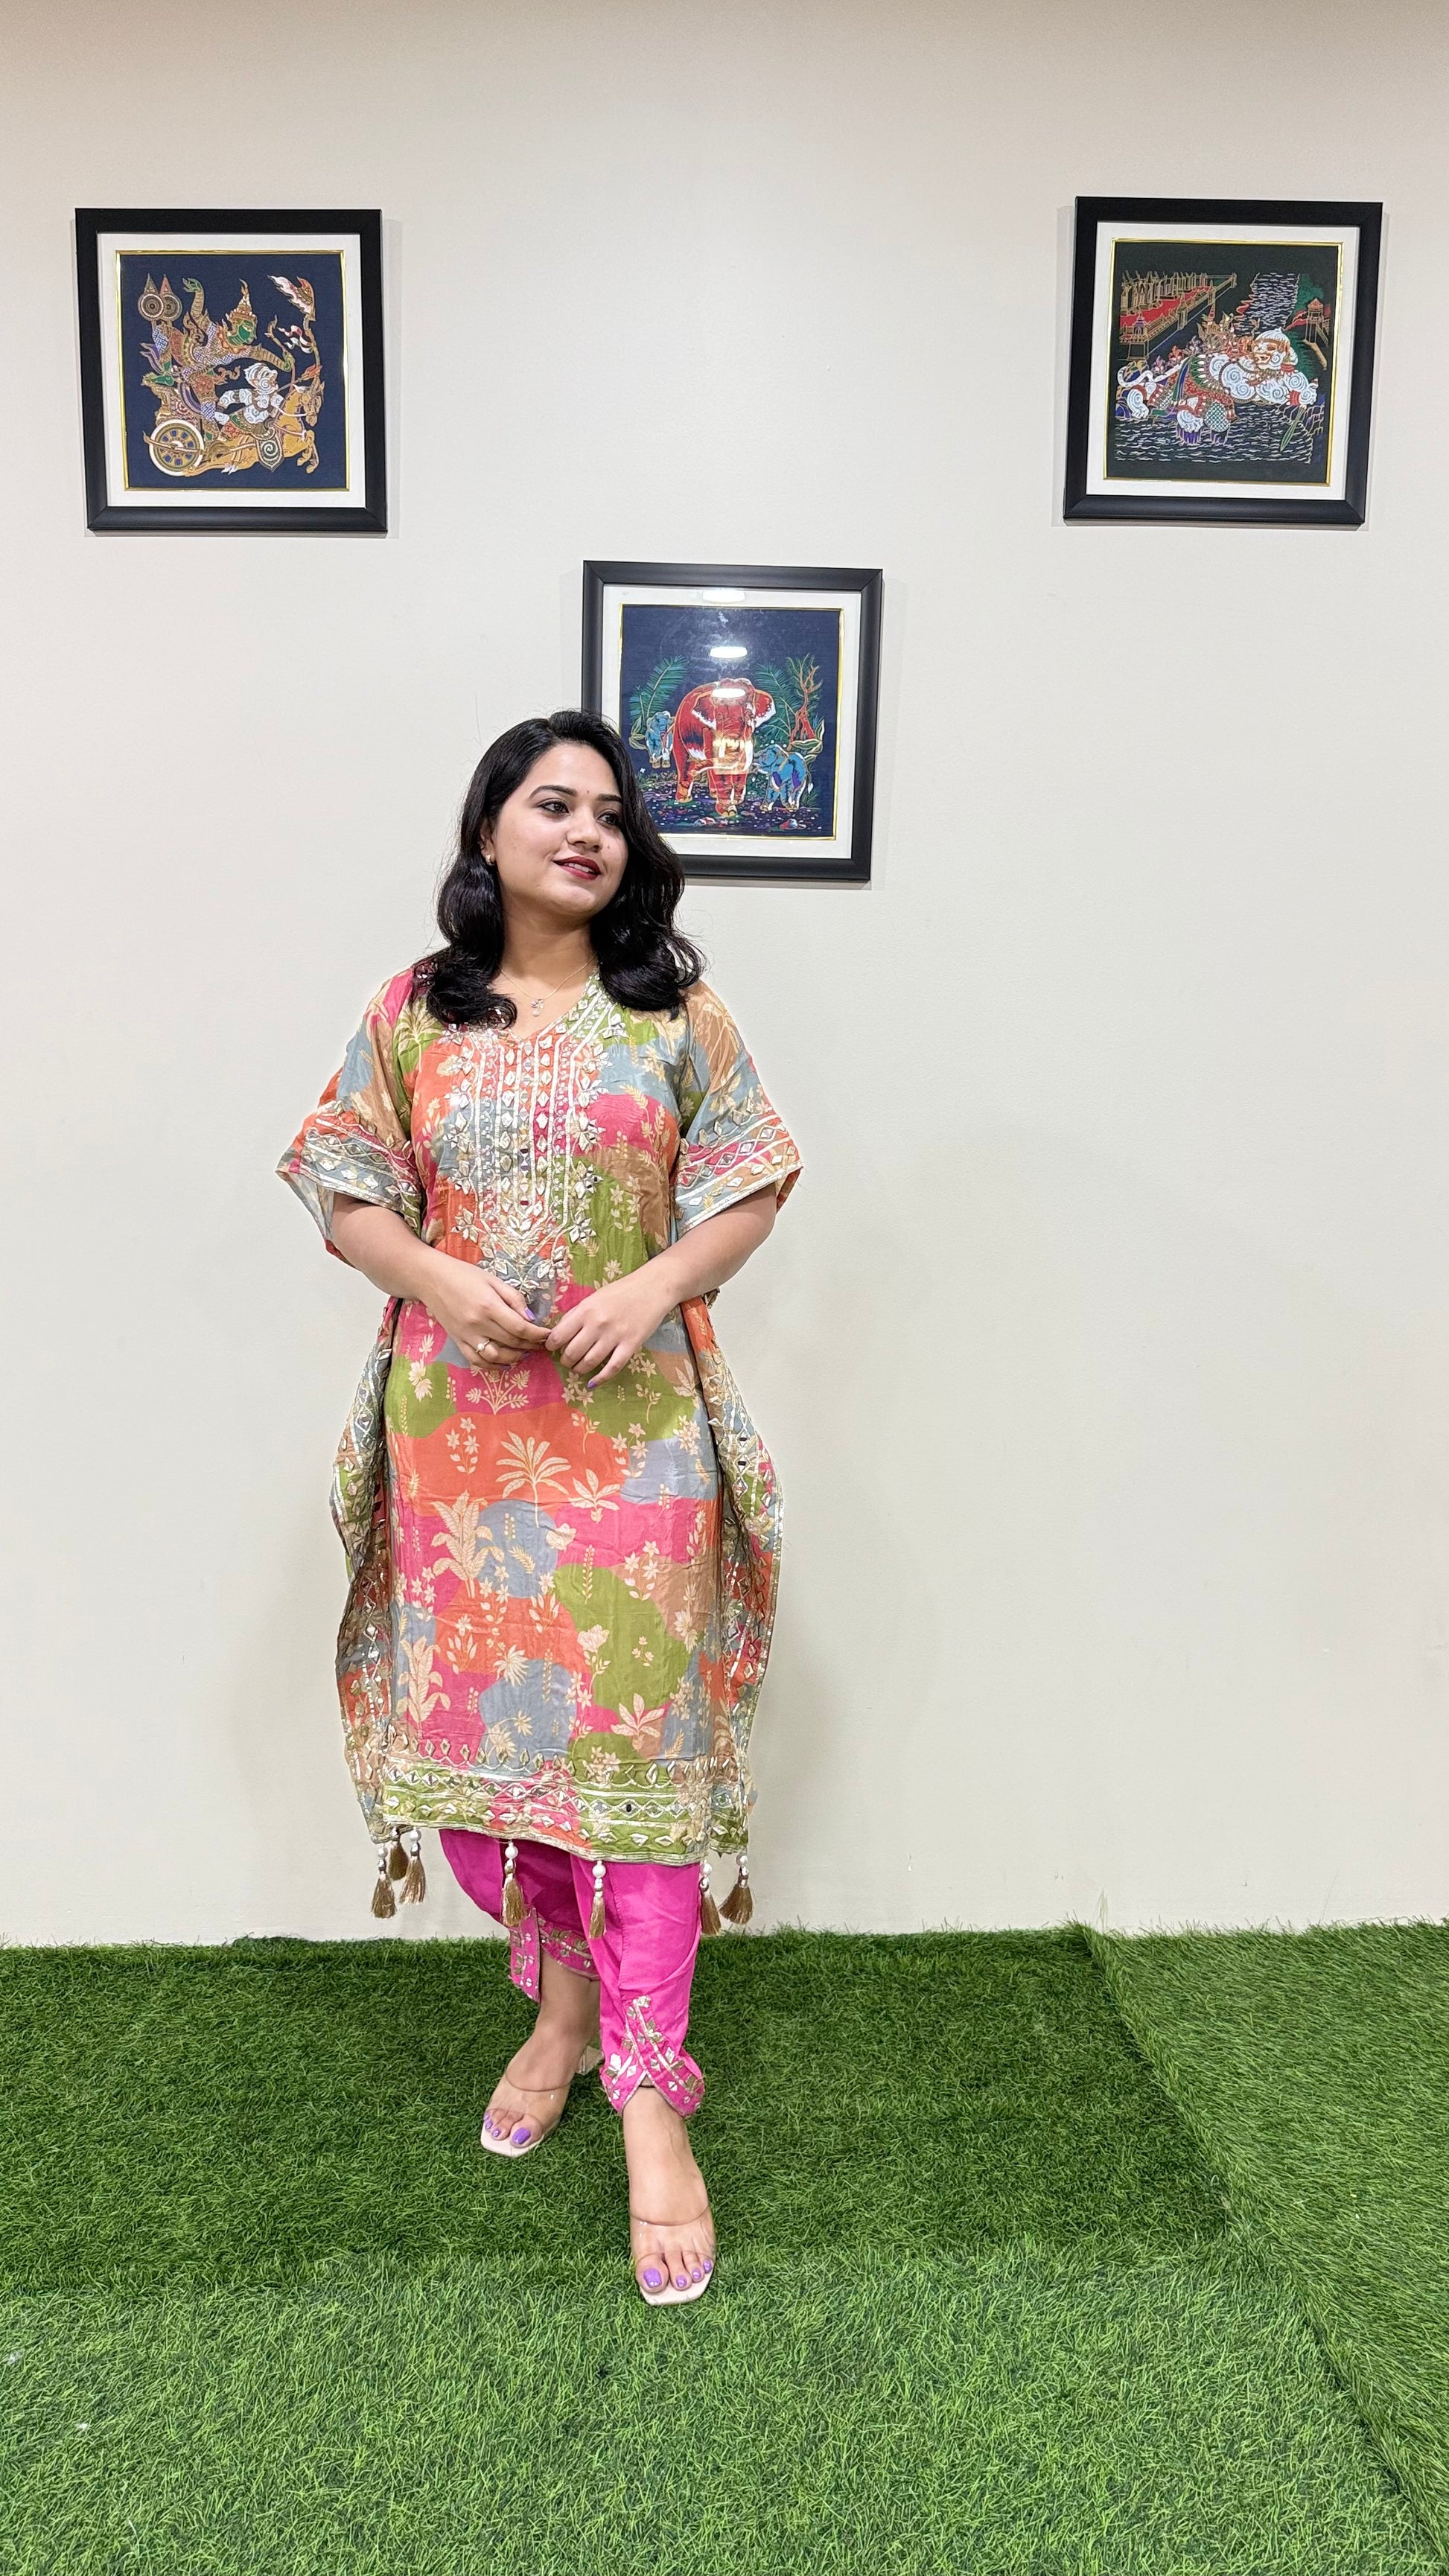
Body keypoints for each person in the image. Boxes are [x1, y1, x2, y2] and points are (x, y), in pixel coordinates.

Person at [279, 708, 800, 2306]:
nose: (587, 831)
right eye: (553, 803)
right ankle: (561, 2010)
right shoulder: (413, 1012)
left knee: (632, 1767)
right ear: (488, 830)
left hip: (636, 1442)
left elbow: (755, 1177)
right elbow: (339, 1180)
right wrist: (437, 1275)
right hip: (465, 1442)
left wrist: (651, 1286)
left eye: (611, 813)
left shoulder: (675, 1012)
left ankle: (649, 2095)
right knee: (493, 1769)